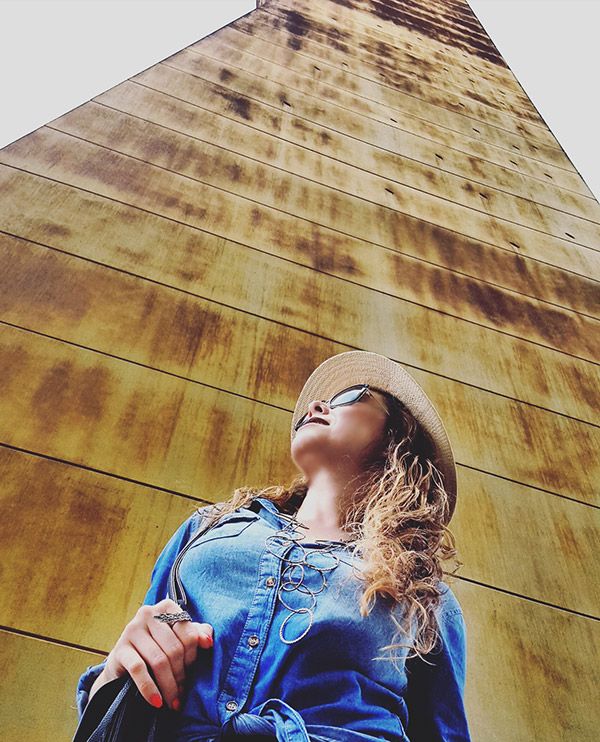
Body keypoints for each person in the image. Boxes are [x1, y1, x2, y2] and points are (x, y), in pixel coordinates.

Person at [75, 350, 471, 741]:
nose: (317, 405)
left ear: (396, 439)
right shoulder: (208, 527)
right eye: (319, 402)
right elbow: (151, 632)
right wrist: (119, 668)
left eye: (351, 396)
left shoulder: (423, 592)